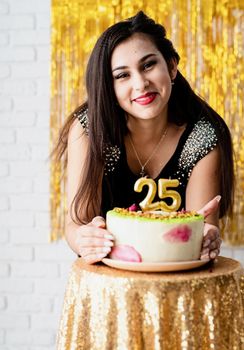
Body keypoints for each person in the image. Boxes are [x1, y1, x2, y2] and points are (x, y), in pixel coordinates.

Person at [54, 11, 234, 265]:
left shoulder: (202, 136)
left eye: (148, 65)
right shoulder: (88, 130)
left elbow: (201, 226)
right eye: (122, 75)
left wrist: (206, 237)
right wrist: (83, 239)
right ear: (109, 87)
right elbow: (77, 224)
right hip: (110, 282)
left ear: (171, 67)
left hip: (179, 283)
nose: (140, 84)